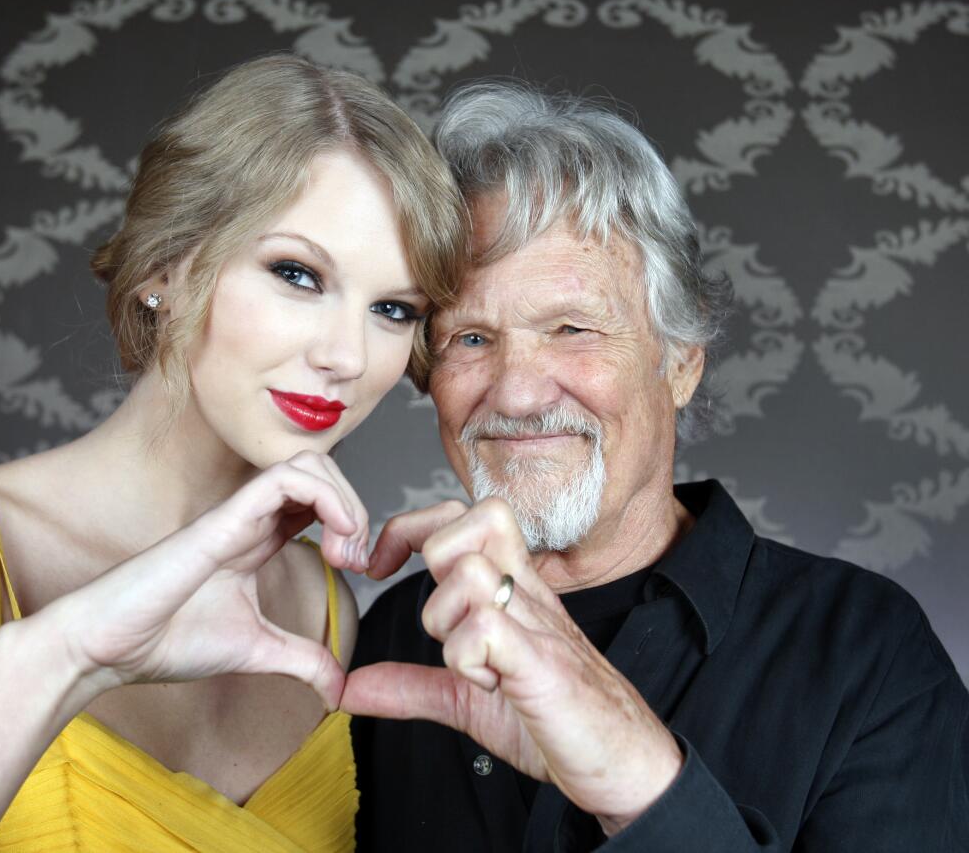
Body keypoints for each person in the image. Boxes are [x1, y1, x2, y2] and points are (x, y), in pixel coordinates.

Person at [0, 54, 466, 852]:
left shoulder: (322, 603)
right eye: (297, 273)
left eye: (391, 308)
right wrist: (57, 661)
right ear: (167, 266)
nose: (346, 353)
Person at [343, 82, 969, 851]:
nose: (517, 390)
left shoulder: (866, 651)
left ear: (679, 365)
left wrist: (645, 784)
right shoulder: (392, 638)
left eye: (572, 327)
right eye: (471, 338)